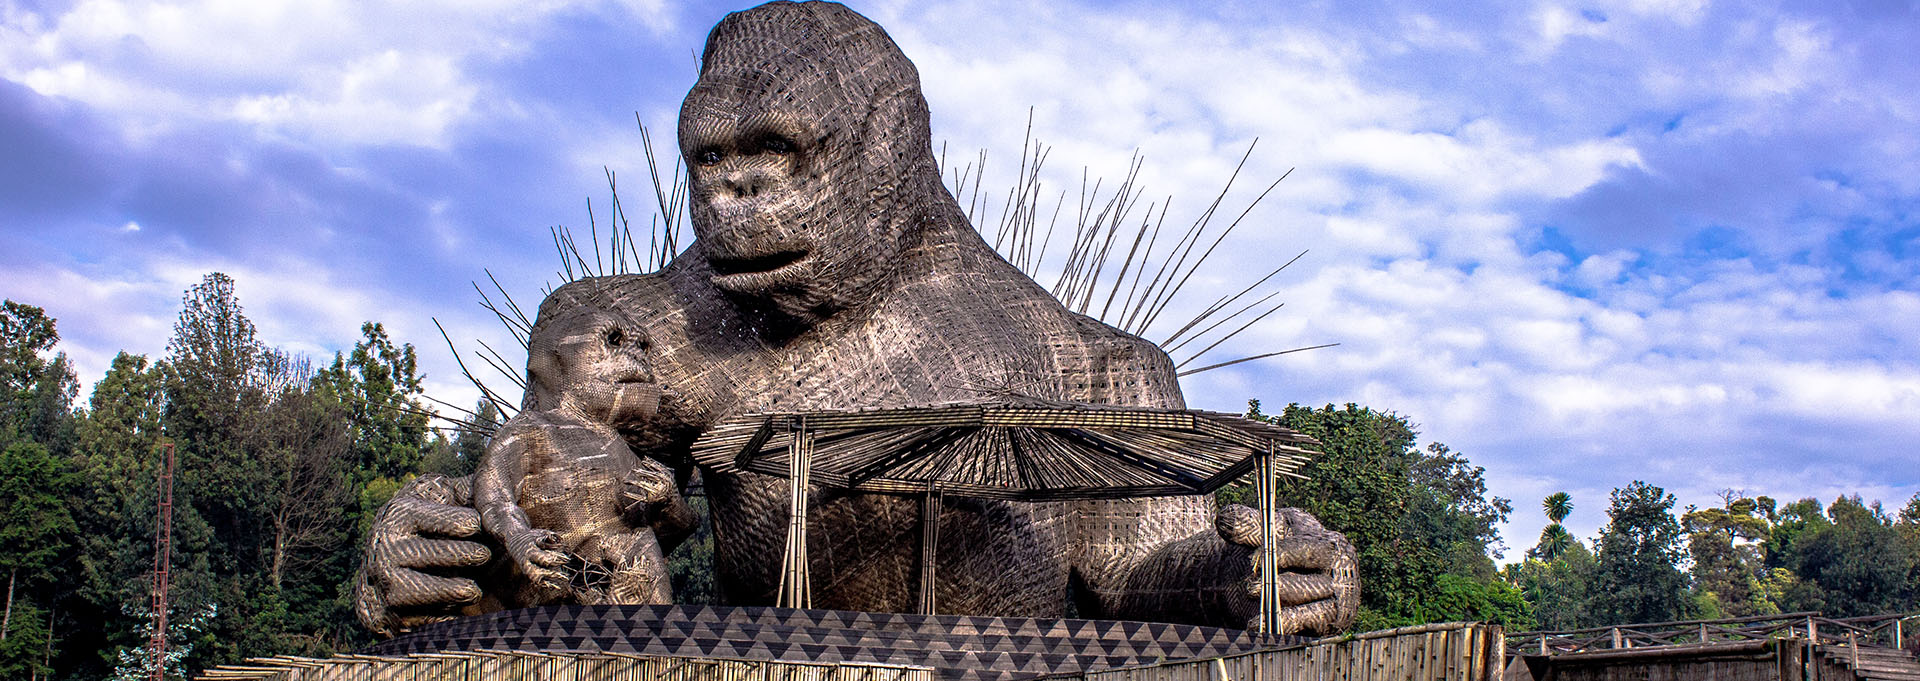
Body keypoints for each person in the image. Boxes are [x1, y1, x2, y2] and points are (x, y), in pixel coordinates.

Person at [354, 0, 1357, 637]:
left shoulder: (1095, 367)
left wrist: (1263, 573)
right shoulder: (648, 329)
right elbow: (544, 473)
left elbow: (1145, 573)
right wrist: (448, 552)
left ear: (890, 148)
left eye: (779, 150)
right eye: (710, 158)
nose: (732, 193)